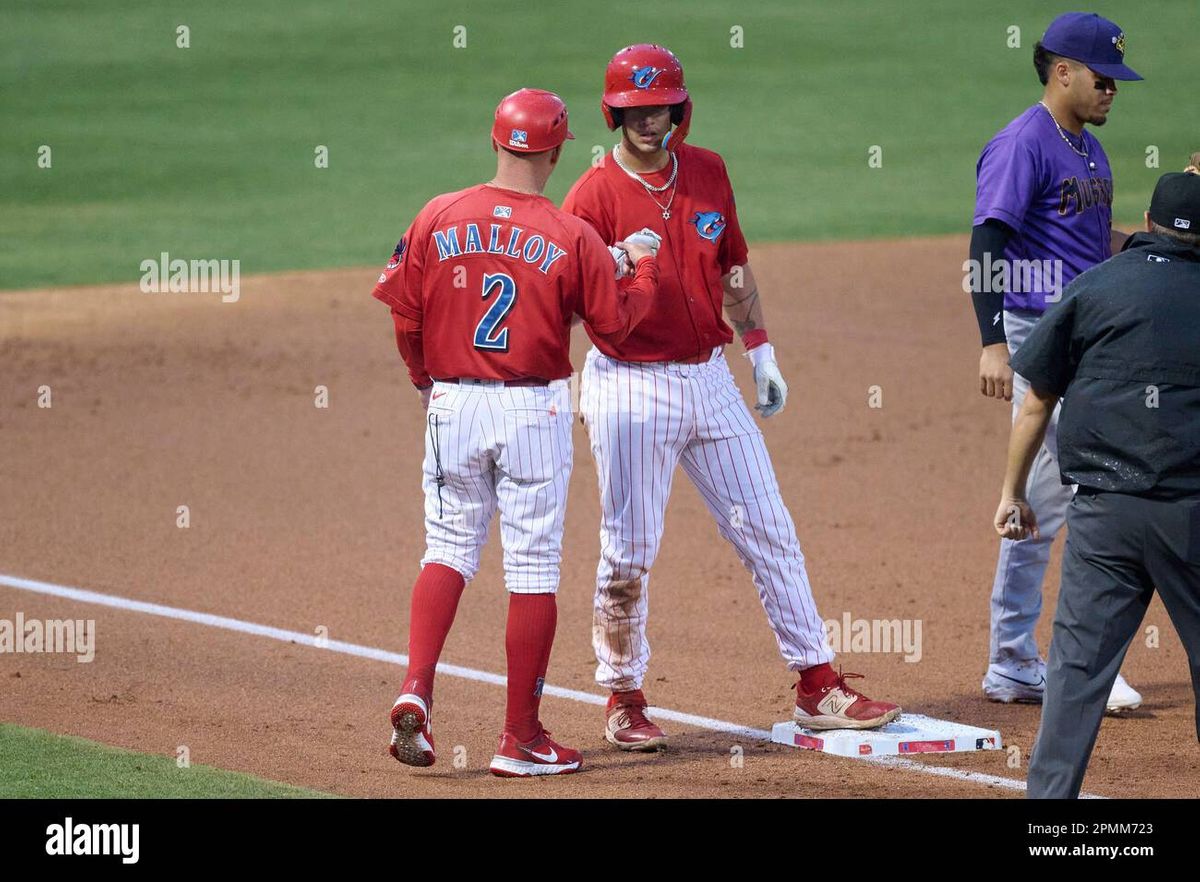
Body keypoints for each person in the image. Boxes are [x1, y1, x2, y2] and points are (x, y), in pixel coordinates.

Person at [562, 43, 900, 751]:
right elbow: (565, 299)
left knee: (768, 529)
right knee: (628, 551)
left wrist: (762, 348)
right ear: (613, 112)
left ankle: (817, 684)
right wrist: (620, 265)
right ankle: (623, 697)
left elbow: (734, 268)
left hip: (710, 378)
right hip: (629, 385)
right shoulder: (592, 195)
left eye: (661, 106)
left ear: (679, 106)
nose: (651, 121)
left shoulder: (709, 170)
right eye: (635, 109)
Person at [372, 88, 659, 777]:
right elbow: (616, 324)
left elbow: (406, 317)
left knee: (446, 550)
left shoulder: (438, 213)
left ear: (494, 142)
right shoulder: (572, 234)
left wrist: (422, 381)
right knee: (531, 570)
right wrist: (641, 263)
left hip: (452, 404)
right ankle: (521, 739)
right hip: (532, 412)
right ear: (559, 152)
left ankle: (416, 685)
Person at [993, 172, 1200, 798]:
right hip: (1190, 518)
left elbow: (1035, 403)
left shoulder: (1094, 286)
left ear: (1146, 220)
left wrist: (1013, 493)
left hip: (1101, 519)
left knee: (1076, 677)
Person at [969, 12, 1143, 711]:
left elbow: (1093, 241)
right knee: (1042, 501)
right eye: (1104, 79)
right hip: (1041, 330)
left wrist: (1167, 245)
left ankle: (1057, 656)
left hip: (1089, 335)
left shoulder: (1089, 150)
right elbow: (986, 246)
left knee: (1095, 490)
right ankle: (1013, 659)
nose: (1112, 91)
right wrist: (992, 340)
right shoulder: (1023, 144)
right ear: (1062, 70)